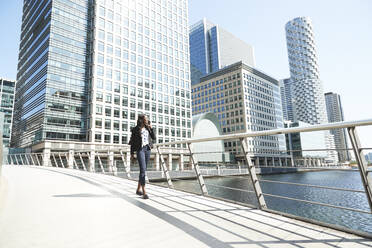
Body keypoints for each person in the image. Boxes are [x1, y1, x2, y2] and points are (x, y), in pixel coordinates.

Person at [128, 114, 156, 199]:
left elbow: (154, 138)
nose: (147, 120)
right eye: (146, 119)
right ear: (141, 120)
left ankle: (138, 189)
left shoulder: (148, 128)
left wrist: (151, 128)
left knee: (143, 170)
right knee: (143, 170)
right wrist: (132, 154)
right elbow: (132, 142)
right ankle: (144, 192)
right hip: (140, 150)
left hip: (147, 149)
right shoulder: (135, 129)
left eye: (147, 119)